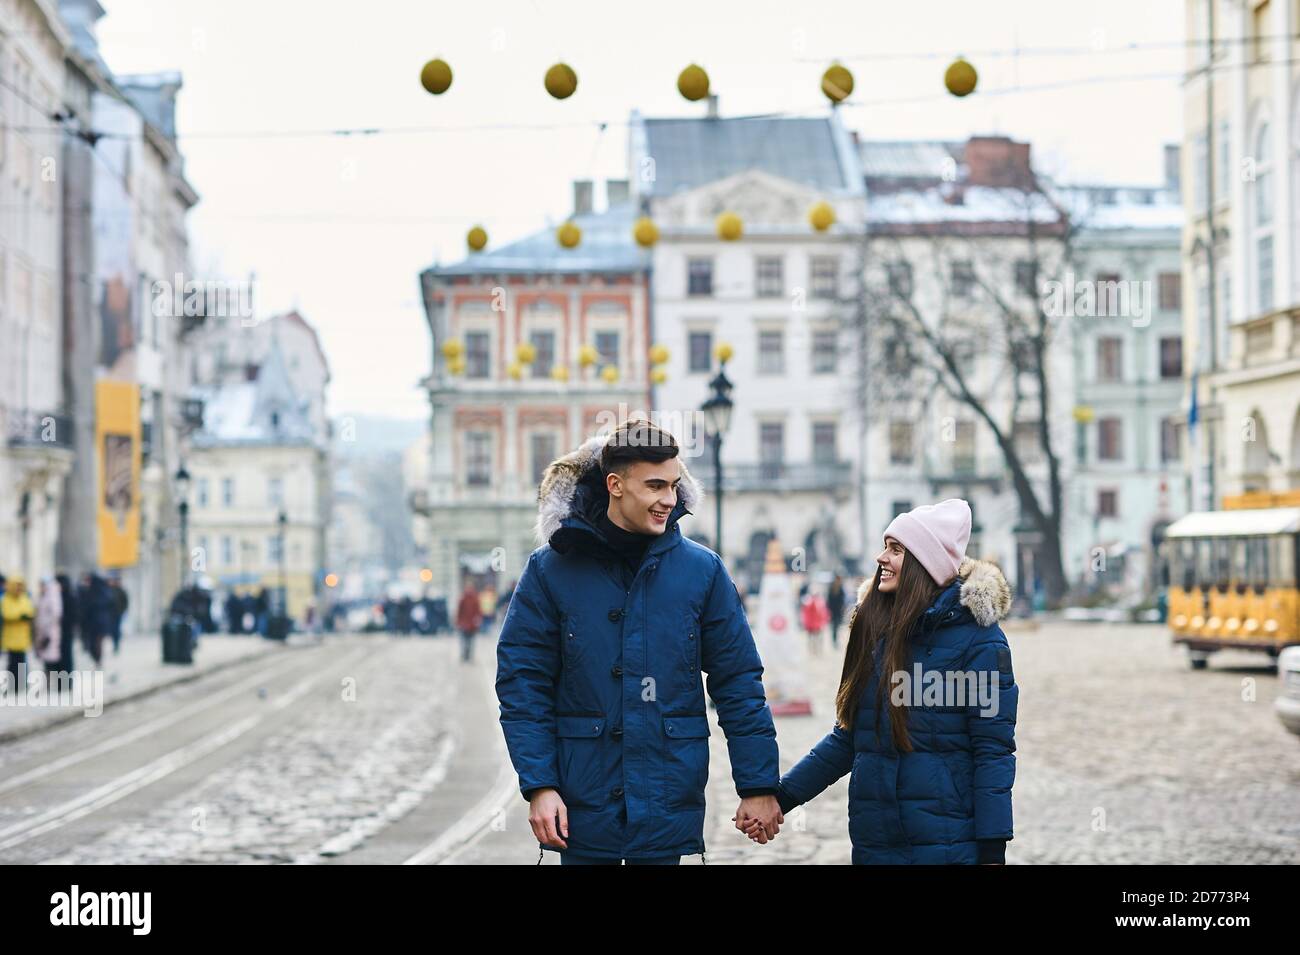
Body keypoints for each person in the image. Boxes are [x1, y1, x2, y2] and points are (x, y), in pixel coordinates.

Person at [497, 420, 781, 865]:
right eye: (654, 486)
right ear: (615, 484)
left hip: (667, 801)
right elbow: (522, 684)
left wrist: (759, 785)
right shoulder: (551, 569)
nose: (669, 499)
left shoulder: (703, 572)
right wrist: (540, 784)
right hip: (581, 807)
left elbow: (739, 682)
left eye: (673, 485)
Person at [744, 499, 1018, 865]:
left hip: (947, 847)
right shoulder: (878, 629)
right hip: (876, 843)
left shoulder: (980, 642)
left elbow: (992, 753)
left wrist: (991, 852)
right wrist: (781, 798)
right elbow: (850, 736)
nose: (880, 558)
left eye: (895, 549)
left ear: (926, 563)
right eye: (885, 546)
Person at [1, 576, 37, 686]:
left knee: (22, 661)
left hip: (22, 636)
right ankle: (12, 683)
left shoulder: (24, 598)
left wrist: (26, 616)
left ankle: (21, 683)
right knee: (12, 662)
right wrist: (20, 616)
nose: (18, 588)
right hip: (11, 636)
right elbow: (7, 614)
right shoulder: (5, 599)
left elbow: (30, 611)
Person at [34, 577, 63, 682]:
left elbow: (56, 614)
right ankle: (48, 679)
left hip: (51, 632)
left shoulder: (52, 598)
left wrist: (46, 625)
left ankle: (52, 680)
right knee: (46, 657)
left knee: (51, 657)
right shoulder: (41, 597)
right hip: (42, 631)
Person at [55, 574, 78, 675]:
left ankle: (66, 680)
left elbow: (75, 615)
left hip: (66, 631)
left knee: (66, 656)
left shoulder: (70, 597)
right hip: (56, 631)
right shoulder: (55, 597)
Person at [455, 582, 481, 663]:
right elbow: (459, 612)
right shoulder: (466, 599)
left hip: (469, 624)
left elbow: (478, 612)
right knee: (466, 641)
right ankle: (466, 655)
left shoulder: (472, 599)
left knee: (467, 641)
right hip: (466, 624)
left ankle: (467, 655)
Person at [107, 574, 128, 654]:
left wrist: (123, 611)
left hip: (118, 613)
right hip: (111, 614)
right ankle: (115, 643)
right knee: (112, 629)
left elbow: (125, 602)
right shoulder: (110, 590)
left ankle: (116, 644)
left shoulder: (121, 591)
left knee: (117, 629)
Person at [826, 574, 846, 649]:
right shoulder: (832, 588)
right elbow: (828, 600)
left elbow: (843, 600)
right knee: (835, 626)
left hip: (838, 611)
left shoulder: (840, 588)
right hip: (834, 611)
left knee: (836, 626)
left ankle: (835, 640)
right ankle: (834, 641)